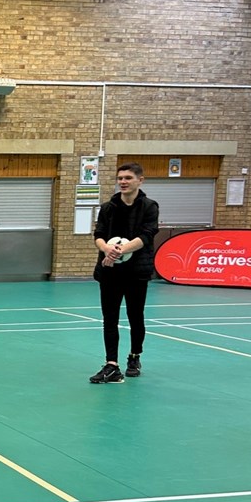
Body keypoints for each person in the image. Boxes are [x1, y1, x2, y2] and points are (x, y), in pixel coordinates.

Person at [90, 162, 160, 384]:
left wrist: (120, 251)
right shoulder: (108, 207)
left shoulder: (149, 207)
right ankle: (112, 365)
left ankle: (134, 356)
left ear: (140, 180)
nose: (123, 182)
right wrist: (107, 250)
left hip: (136, 272)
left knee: (135, 316)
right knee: (109, 318)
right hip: (110, 272)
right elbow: (99, 234)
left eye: (128, 178)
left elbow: (147, 235)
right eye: (120, 178)